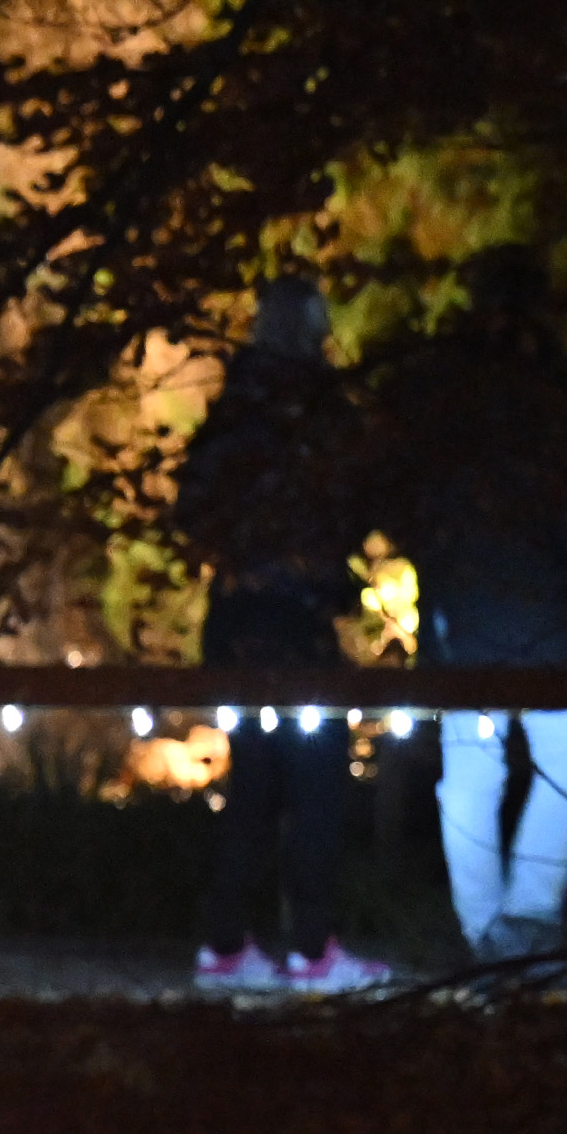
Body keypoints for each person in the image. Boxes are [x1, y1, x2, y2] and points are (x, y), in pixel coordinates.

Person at [377, 245, 567, 959]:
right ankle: (523, 922)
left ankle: (490, 932)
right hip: (543, 606)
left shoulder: (441, 392)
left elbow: (407, 495)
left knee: (474, 769)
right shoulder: (548, 392)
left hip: (463, 607)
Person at [180, 278, 391, 991]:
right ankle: (311, 948)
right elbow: (355, 500)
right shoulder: (320, 416)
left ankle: (226, 944)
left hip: (239, 621)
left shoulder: (233, 411)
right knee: (317, 785)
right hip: (297, 626)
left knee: (254, 787)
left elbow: (193, 510)